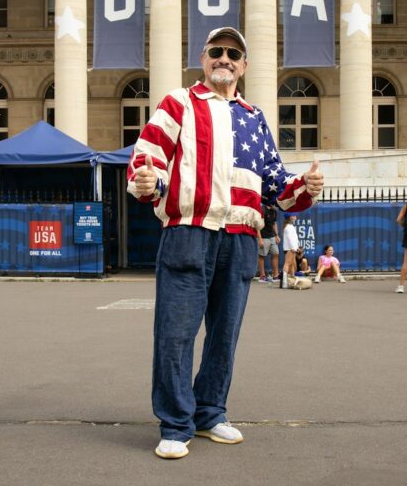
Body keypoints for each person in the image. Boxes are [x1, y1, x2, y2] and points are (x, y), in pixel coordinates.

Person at [128, 26, 323, 460]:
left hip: (239, 237)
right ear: (203, 58)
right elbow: (149, 157)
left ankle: (210, 413)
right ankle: (176, 423)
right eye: (217, 51)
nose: (225, 58)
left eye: (233, 53)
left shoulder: (254, 117)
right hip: (188, 231)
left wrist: (304, 185)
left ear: (244, 66)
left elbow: (276, 183)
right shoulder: (178, 103)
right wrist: (148, 181)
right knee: (175, 334)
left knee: (224, 335)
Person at [257, 204, 280, 283]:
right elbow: (258, 225)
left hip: (272, 236)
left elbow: (274, 223)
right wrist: (260, 239)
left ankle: (275, 276)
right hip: (263, 237)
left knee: (276, 253)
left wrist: (276, 235)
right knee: (261, 256)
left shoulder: (274, 210)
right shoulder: (262, 209)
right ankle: (262, 276)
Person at [281, 214, 300, 280]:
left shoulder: (290, 226)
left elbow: (294, 238)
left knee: (292, 263)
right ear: (289, 217)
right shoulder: (288, 227)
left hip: (292, 248)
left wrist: (296, 247)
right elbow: (290, 238)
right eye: (294, 215)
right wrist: (293, 248)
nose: (295, 216)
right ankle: (284, 280)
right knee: (287, 263)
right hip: (290, 248)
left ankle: (292, 276)